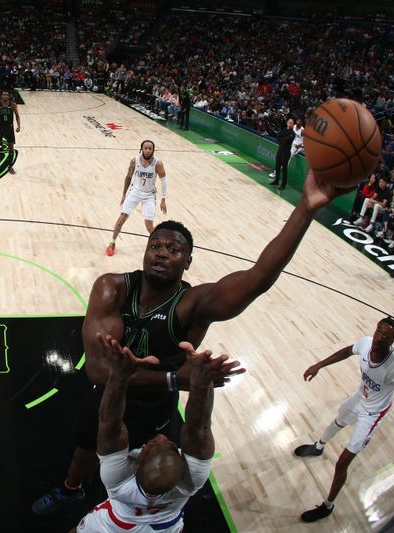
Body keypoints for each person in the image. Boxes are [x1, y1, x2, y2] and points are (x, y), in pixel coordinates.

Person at [32, 169, 354, 514]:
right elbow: (97, 371)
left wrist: (305, 208)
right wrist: (175, 379)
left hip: (154, 407)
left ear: (188, 261)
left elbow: (258, 278)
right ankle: (72, 489)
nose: (161, 253)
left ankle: (129, 514)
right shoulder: (111, 287)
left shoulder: (194, 304)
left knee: (147, 473)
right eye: (155, 245)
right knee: (85, 447)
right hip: (113, 395)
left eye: (173, 249)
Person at [73, 338, 243, 532]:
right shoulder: (191, 480)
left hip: (112, 525)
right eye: (172, 447)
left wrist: (119, 375)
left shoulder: (118, 480)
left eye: (152, 445)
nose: (162, 437)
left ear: (136, 467)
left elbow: (109, 423)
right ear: (181, 469)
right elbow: (199, 428)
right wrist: (202, 381)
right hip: (165, 527)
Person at [293, 316, 394, 523]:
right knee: (338, 420)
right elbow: (346, 351)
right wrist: (319, 365)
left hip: (372, 414)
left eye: (386, 336)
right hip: (360, 396)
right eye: (378, 332)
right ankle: (318, 447)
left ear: (392, 342)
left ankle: (327, 506)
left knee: (342, 462)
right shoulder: (366, 343)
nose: (379, 338)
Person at [105, 140, 167, 256]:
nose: (148, 150)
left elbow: (163, 180)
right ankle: (112, 242)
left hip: (149, 195)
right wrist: (124, 194)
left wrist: (163, 199)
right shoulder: (135, 161)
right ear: (141, 149)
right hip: (135, 192)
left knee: (149, 226)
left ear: (153, 150)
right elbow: (128, 177)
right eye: (146, 148)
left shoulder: (158, 163)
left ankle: (159, 246)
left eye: (150, 148)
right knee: (121, 219)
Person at [0, 90, 21, 174]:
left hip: (9, 128)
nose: (5, 96)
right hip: (0, 128)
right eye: (4, 95)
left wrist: (18, 126)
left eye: (7, 95)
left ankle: (10, 165)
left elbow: (17, 115)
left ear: (9, 96)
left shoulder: (13, 105)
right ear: (1, 96)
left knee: (11, 147)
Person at [269, 118, 295, 190]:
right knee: (277, 167)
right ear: (287, 123)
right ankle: (276, 181)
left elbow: (286, 140)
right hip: (280, 151)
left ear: (293, 125)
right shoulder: (283, 130)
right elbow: (278, 138)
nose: (290, 124)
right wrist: (283, 139)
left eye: (292, 123)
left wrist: (282, 139)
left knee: (284, 169)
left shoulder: (293, 133)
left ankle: (283, 185)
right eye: (289, 122)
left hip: (286, 153)